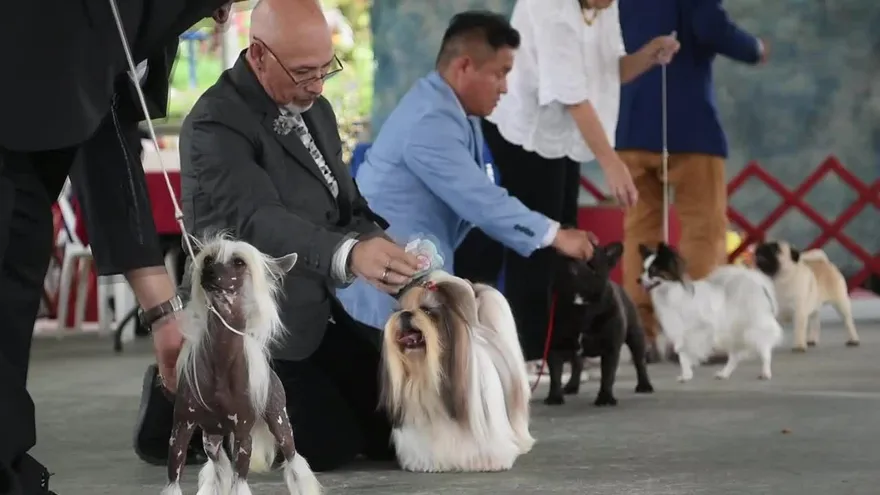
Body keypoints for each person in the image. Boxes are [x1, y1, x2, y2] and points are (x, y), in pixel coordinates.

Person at [133, 0, 422, 472]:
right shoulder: (215, 123)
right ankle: (177, 400)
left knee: (396, 424)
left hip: (311, 312)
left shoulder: (318, 109)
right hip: (248, 327)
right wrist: (349, 255)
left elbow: (345, 206)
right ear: (259, 53)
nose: (316, 85)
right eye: (304, 72)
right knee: (328, 448)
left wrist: (389, 256)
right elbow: (258, 221)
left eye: (325, 70)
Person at [0, 2, 237, 493]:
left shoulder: (133, 23)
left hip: (27, 153)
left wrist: (164, 315)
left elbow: (105, 124)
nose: (223, 16)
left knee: (17, 266)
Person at [336, 11, 598, 334]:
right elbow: (481, 199)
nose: (504, 88)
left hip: (411, 281)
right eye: (500, 74)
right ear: (464, 67)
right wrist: (556, 235)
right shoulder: (430, 121)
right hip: (382, 298)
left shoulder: (455, 112)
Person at [455, 0, 679, 363]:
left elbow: (610, 72)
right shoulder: (549, 6)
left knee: (565, 245)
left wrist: (648, 56)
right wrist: (612, 163)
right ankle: (527, 355)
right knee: (536, 244)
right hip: (525, 134)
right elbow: (571, 93)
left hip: (563, 137)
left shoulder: (603, 6)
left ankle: (558, 350)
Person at [616, 0, 767, 361]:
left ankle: (642, 332)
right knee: (703, 227)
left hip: (630, 123)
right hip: (690, 128)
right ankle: (702, 333)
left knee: (640, 229)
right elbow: (712, 27)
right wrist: (755, 49)